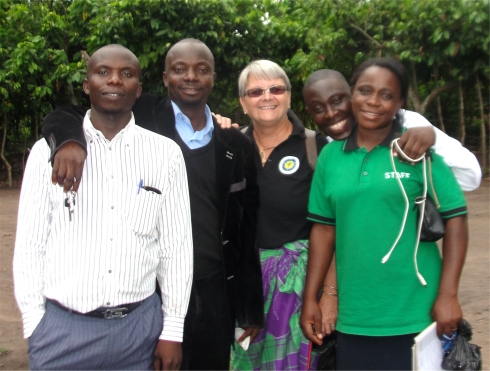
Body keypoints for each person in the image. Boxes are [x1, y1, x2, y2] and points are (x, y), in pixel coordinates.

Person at [40, 38, 263, 371]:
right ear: (164, 78)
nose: (190, 77)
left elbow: (248, 229)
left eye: (201, 70)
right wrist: (70, 140)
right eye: (179, 69)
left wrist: (249, 306)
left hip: (215, 286)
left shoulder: (234, 143)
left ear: (213, 78)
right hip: (152, 291)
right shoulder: (140, 114)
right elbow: (65, 114)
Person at [13, 44, 193, 370]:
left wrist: (172, 329)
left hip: (139, 330)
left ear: (138, 89)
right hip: (60, 330)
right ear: (87, 85)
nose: (114, 81)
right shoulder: (47, 153)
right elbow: (30, 244)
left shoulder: (165, 155)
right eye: (103, 72)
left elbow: (175, 249)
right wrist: (34, 322)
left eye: (126, 74)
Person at [301, 57, 468, 370]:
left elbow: (456, 218)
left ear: (400, 103)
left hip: (417, 316)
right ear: (352, 94)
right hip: (353, 319)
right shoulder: (330, 158)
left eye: (387, 95)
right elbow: (324, 230)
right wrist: (312, 297)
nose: (374, 101)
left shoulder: (416, 151)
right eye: (365, 90)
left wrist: (448, 294)